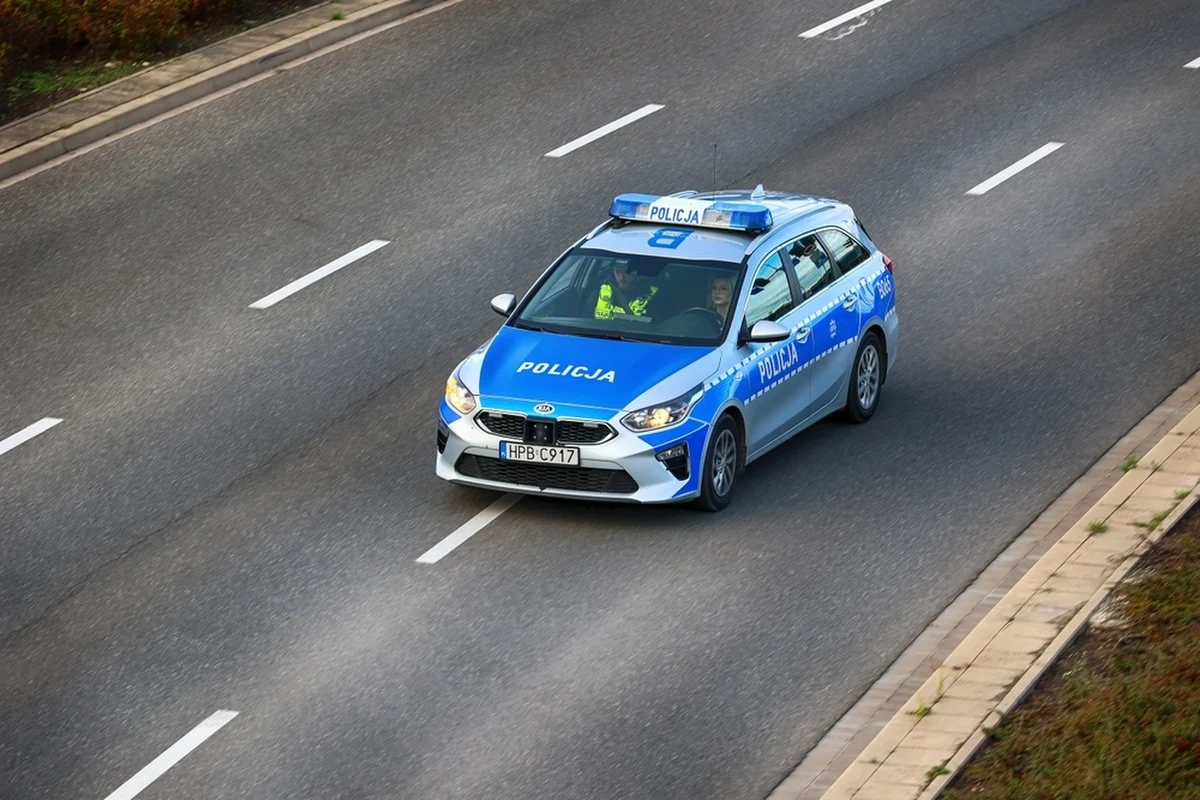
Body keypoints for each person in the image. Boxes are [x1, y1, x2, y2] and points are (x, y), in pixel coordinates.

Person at [593, 260, 661, 319]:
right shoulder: (602, 291)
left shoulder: (652, 295)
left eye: (627, 272)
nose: (621, 278)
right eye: (617, 271)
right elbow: (586, 319)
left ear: (638, 273)